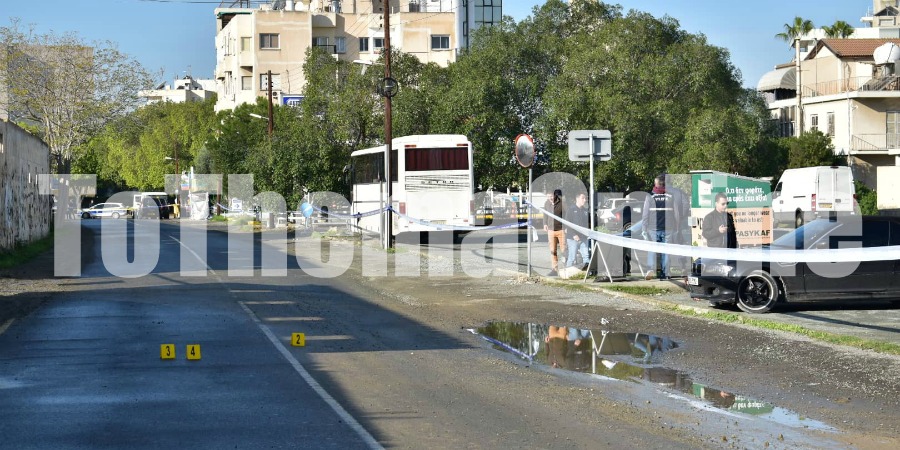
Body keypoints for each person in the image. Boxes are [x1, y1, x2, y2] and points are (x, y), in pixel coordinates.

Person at [641, 174, 683, 280]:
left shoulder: (650, 196)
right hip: (668, 228)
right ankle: (665, 273)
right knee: (666, 252)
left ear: (657, 184)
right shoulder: (670, 196)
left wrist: (644, 229)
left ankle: (650, 269)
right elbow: (676, 214)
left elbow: (645, 214)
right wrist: (677, 227)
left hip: (652, 228)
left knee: (652, 250)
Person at [543, 189, 567, 276]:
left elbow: (566, 215)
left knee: (563, 250)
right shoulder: (546, 203)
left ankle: (565, 268)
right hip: (551, 230)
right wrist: (545, 223)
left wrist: (565, 227)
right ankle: (554, 270)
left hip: (561, 230)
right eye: (548, 196)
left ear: (555, 195)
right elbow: (545, 214)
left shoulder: (562, 203)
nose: (550, 198)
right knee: (553, 251)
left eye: (551, 196)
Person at [565, 192, 591, 270]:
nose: (585, 200)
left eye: (585, 198)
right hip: (573, 238)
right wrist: (574, 235)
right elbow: (567, 224)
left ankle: (587, 272)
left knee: (586, 256)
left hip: (584, 238)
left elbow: (588, 224)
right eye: (582, 198)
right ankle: (567, 273)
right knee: (572, 257)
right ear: (577, 199)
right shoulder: (571, 210)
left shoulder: (585, 211)